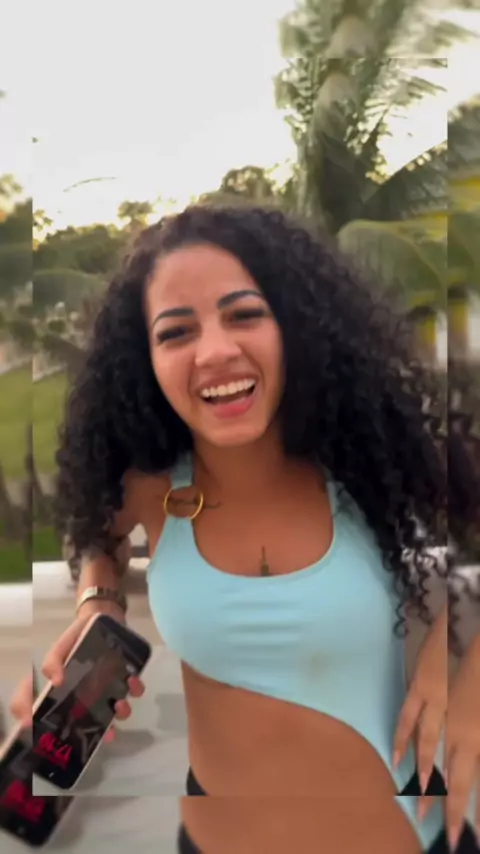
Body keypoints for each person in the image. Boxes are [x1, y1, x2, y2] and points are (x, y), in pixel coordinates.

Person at [13, 205, 476, 852]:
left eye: (244, 315)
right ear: (145, 360)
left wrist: (464, 662)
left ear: (296, 325)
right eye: (176, 332)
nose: (215, 351)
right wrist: (99, 601)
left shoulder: (374, 462)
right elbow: (97, 533)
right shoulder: (151, 489)